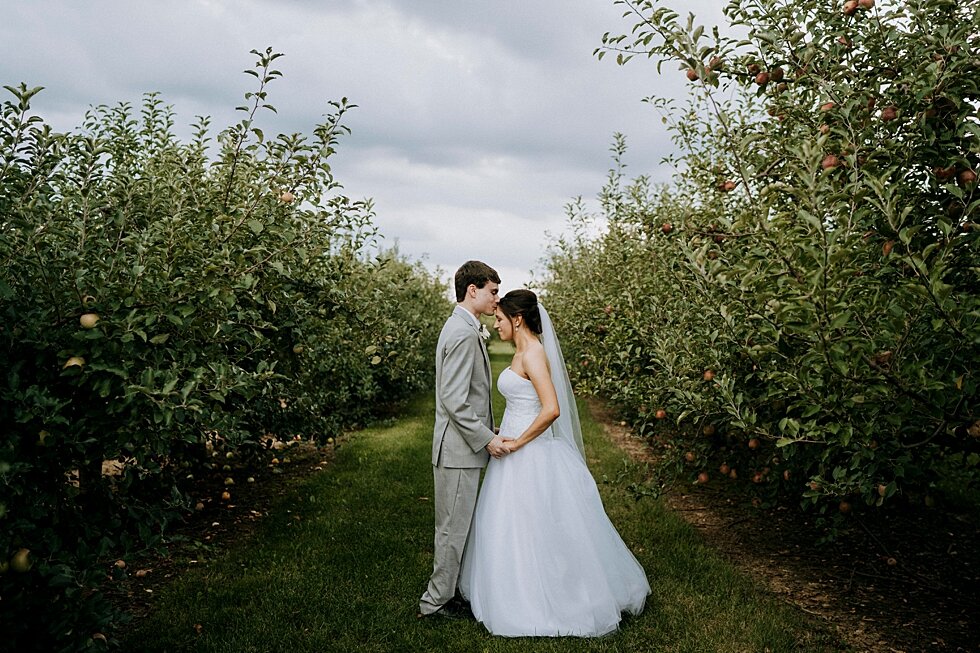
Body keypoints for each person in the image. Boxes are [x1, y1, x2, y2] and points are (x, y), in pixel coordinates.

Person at [458, 289, 650, 637]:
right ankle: (511, 588)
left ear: (517, 319)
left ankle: (550, 598)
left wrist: (518, 440)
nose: (496, 323)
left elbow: (551, 409)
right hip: (513, 448)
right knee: (509, 526)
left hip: (530, 454)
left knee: (538, 526)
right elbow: (524, 403)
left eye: (500, 318)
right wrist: (505, 430)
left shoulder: (533, 354)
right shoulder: (521, 351)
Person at [418, 261, 510, 620]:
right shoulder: (461, 332)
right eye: (492, 291)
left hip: (461, 449)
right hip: (458, 451)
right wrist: (487, 438)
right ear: (472, 290)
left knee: (458, 527)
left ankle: (450, 593)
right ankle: (435, 602)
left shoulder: (465, 327)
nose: (496, 299)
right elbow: (454, 399)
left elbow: (467, 395)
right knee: (452, 530)